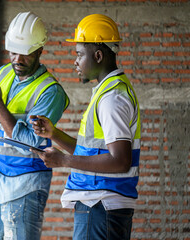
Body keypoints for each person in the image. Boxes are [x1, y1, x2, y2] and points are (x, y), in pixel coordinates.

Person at [30, 14, 141, 240]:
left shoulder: (112, 98)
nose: (76, 62)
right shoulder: (108, 92)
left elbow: (120, 160)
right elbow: (93, 152)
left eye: (79, 54)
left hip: (101, 205)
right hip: (100, 206)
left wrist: (63, 160)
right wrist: (54, 134)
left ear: (98, 55)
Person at [0, 12, 69, 240]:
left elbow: (29, 144)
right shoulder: (2, 73)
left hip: (25, 187)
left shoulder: (50, 92)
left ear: (40, 51)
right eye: (13, 52)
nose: (17, 60)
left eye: (25, 54)